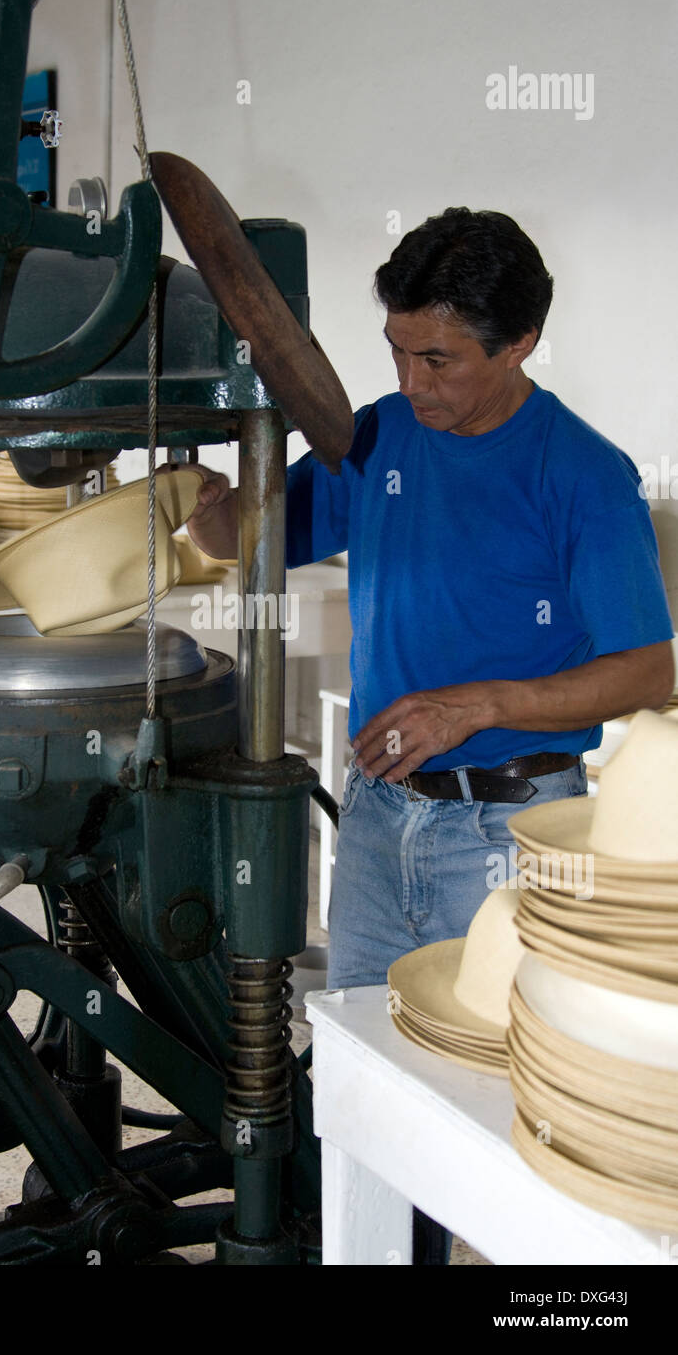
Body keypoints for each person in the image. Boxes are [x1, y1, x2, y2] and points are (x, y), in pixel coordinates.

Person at [185, 207, 675, 1258]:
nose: (411, 383)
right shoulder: (379, 438)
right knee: (365, 1088)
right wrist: (213, 498)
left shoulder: (581, 475)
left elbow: (646, 668)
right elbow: (249, 536)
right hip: (374, 824)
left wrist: (477, 703)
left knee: (497, 1118)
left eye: (439, 359)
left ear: (520, 343)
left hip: (506, 839)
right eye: (396, 352)